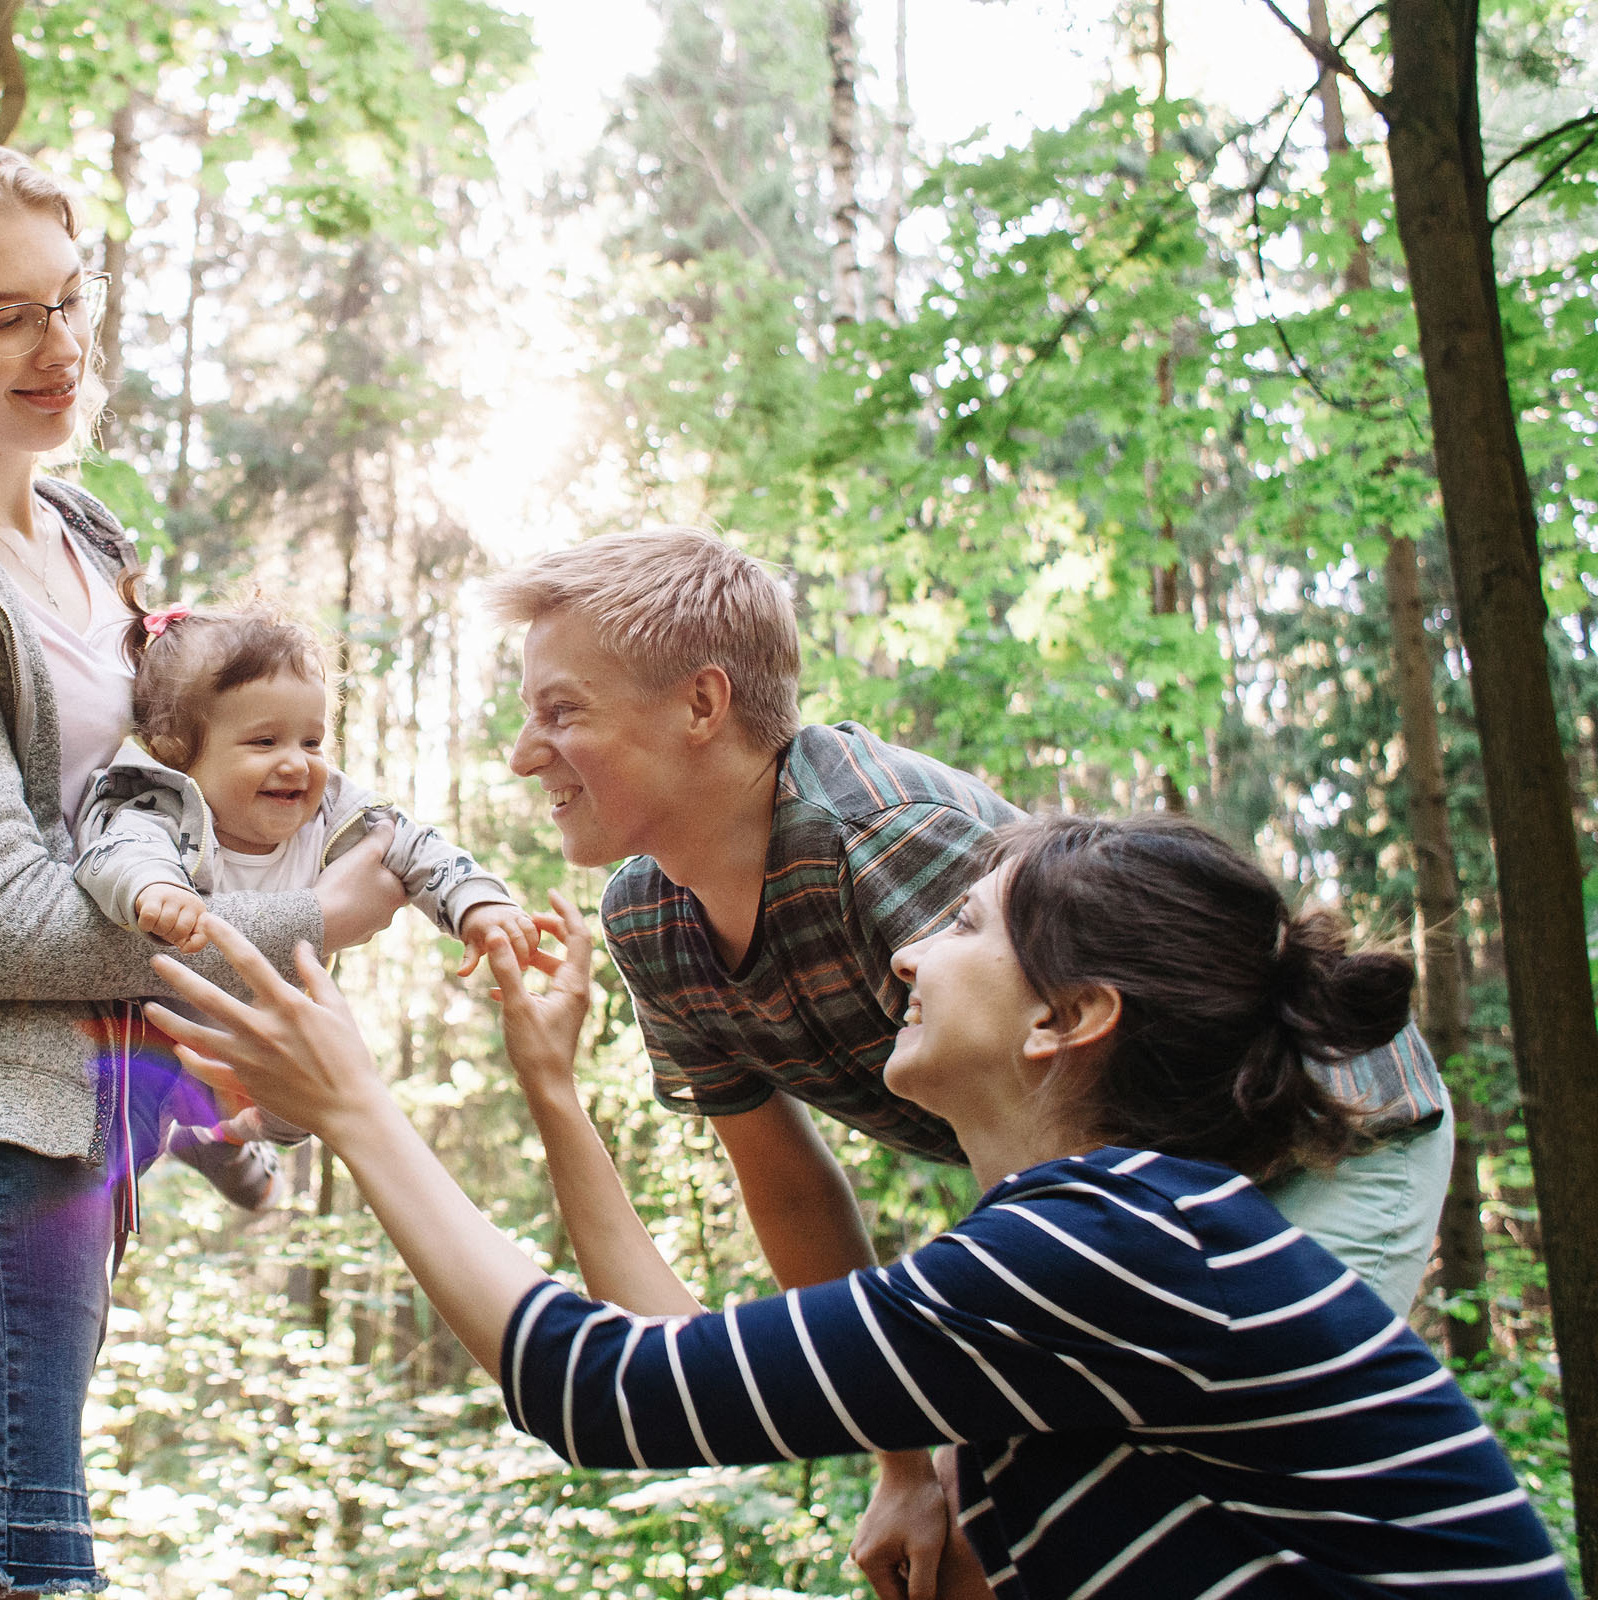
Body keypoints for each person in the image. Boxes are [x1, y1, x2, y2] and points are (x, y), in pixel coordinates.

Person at [140, 815, 1567, 1600]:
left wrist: (355, 1109)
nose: (906, 954)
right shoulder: (1099, 1257)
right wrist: (553, 1090)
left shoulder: (1113, 1244)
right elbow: (674, 1356)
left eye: (960, 928)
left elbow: (601, 1392)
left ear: (1069, 1017)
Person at [479, 528, 1457, 1597]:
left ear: (702, 706)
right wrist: (901, 1461)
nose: (525, 752)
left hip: (1308, 1133)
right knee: (965, 1514)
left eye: (561, 711)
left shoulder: (888, 841)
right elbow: (787, 1180)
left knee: (1062, 1513)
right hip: (1098, 1200)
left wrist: (958, 1442)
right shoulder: (650, 920)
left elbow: (1107, 1130)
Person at [0, 135, 410, 1595]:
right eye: (4, 317)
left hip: (60, 1140)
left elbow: (136, 821)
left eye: (72, 296)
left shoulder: (82, 535)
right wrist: (310, 917)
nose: (62, 347)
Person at [72, 599, 541, 1209]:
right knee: (142, 1101)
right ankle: (193, 1134)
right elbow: (116, 854)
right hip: (170, 1034)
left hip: (280, 1034)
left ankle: (231, 1139)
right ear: (177, 751)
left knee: (307, 1110)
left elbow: (418, 849)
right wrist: (154, 890)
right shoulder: (162, 811)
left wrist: (478, 906)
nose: (296, 762)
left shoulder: (337, 817)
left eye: (312, 740)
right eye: (264, 741)